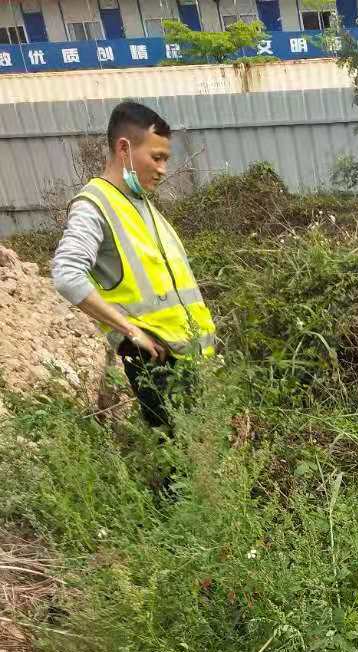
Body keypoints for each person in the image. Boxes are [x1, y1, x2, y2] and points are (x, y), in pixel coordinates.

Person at [51, 101, 215, 462]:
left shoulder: (141, 204)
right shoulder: (94, 205)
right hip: (157, 361)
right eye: (156, 157)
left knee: (198, 463)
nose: (163, 169)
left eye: (165, 159)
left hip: (188, 359)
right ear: (124, 148)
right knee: (180, 468)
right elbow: (66, 273)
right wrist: (130, 331)